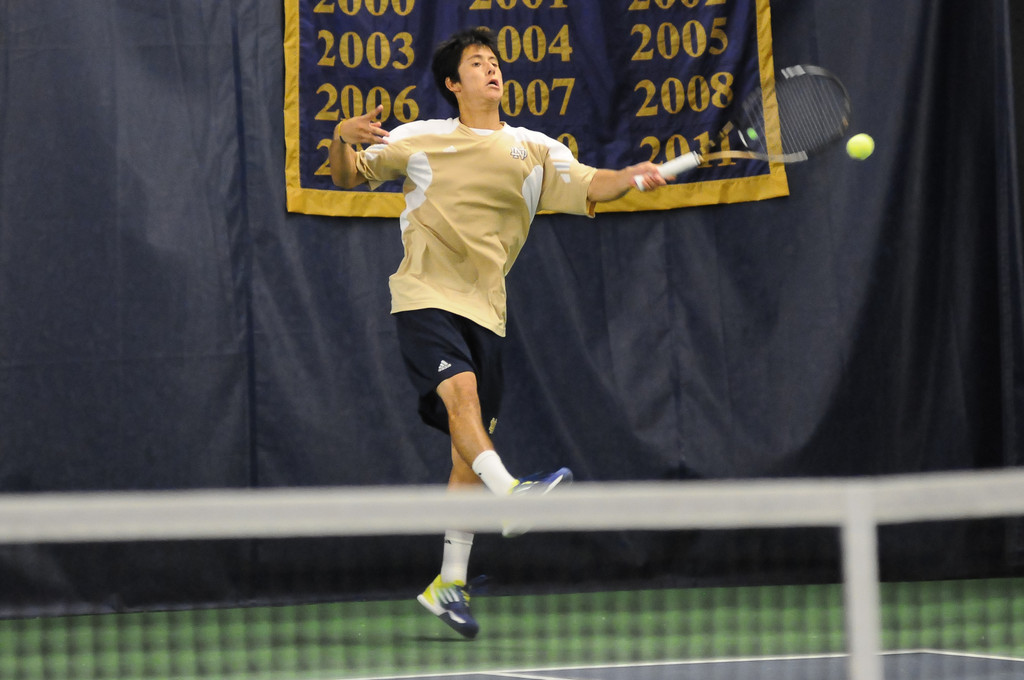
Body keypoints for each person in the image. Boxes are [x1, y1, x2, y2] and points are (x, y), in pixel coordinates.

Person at [329, 26, 669, 639]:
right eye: (477, 64)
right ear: (453, 85)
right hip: (425, 294)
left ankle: (447, 582)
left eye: (495, 62)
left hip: (488, 310)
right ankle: (511, 493)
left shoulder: (535, 149)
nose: (492, 71)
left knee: (468, 448)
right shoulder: (419, 138)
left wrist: (633, 175)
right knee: (460, 398)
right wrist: (339, 138)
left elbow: (593, 184)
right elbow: (349, 175)